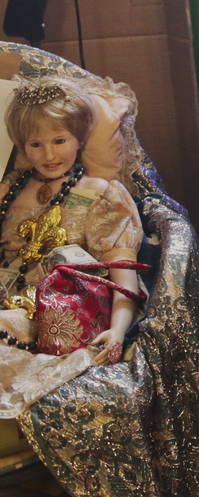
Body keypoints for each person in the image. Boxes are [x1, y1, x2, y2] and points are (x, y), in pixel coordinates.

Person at [0, 80, 143, 380]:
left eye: (59, 140)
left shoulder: (99, 194)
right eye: (35, 144)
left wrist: (118, 330)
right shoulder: (10, 189)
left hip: (57, 311)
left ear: (79, 137)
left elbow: (124, 273)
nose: (48, 155)